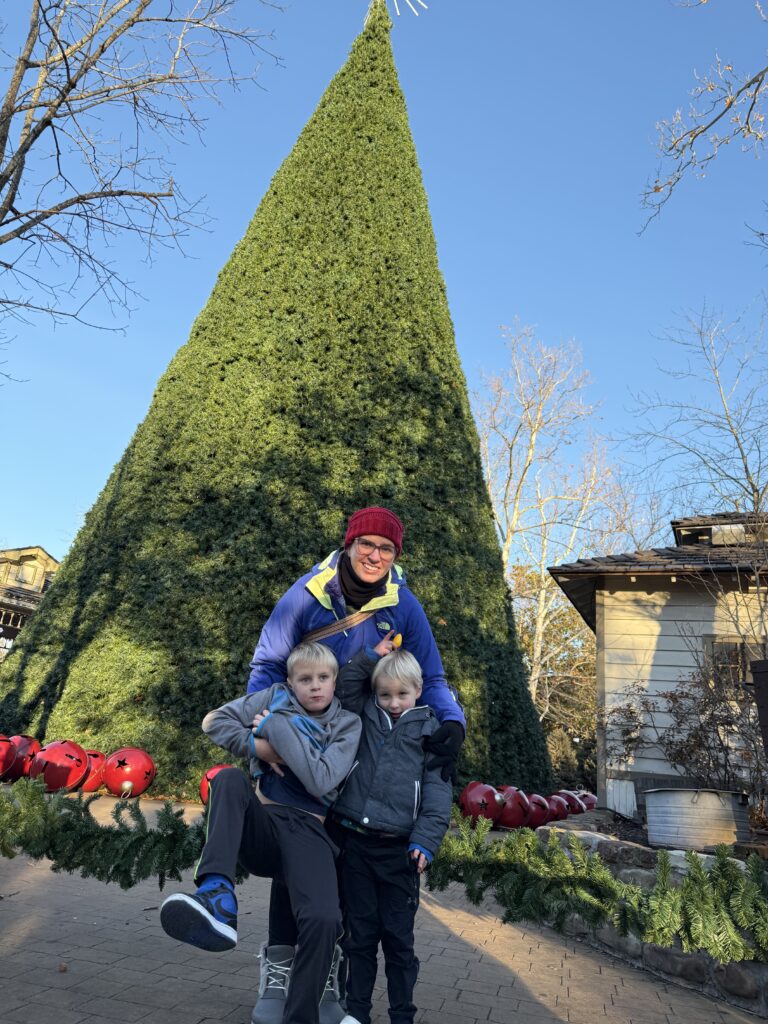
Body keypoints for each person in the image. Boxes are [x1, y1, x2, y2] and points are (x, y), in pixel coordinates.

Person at [248, 506, 465, 1024]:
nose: (375, 556)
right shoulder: (307, 595)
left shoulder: (403, 606)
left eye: (386, 549)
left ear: (395, 557)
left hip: (363, 751)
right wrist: (265, 732)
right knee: (293, 856)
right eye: (366, 544)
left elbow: (430, 676)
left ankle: (326, 976)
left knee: (338, 875)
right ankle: (278, 974)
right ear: (348, 545)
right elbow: (267, 666)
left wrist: (451, 721)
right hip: (303, 741)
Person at [159, 642, 362, 1024]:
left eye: (323, 678)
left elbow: (321, 781)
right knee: (230, 779)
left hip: (309, 830)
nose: (315, 687)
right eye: (305, 679)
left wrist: (276, 727)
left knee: (323, 919)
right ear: (290, 681)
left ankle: (302, 1015)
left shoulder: (348, 725)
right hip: (264, 824)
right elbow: (214, 721)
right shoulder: (274, 696)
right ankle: (216, 895)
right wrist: (261, 747)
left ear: (335, 681)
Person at [332, 648, 453, 1024]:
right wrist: (371, 655)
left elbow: (437, 793)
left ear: (418, 690)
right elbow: (347, 682)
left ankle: (402, 1013)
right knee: (359, 936)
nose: (394, 702)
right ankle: (356, 1013)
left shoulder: (431, 730)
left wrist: (426, 841)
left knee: (399, 942)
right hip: (356, 844)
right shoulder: (364, 714)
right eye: (385, 694)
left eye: (402, 694)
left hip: (400, 852)